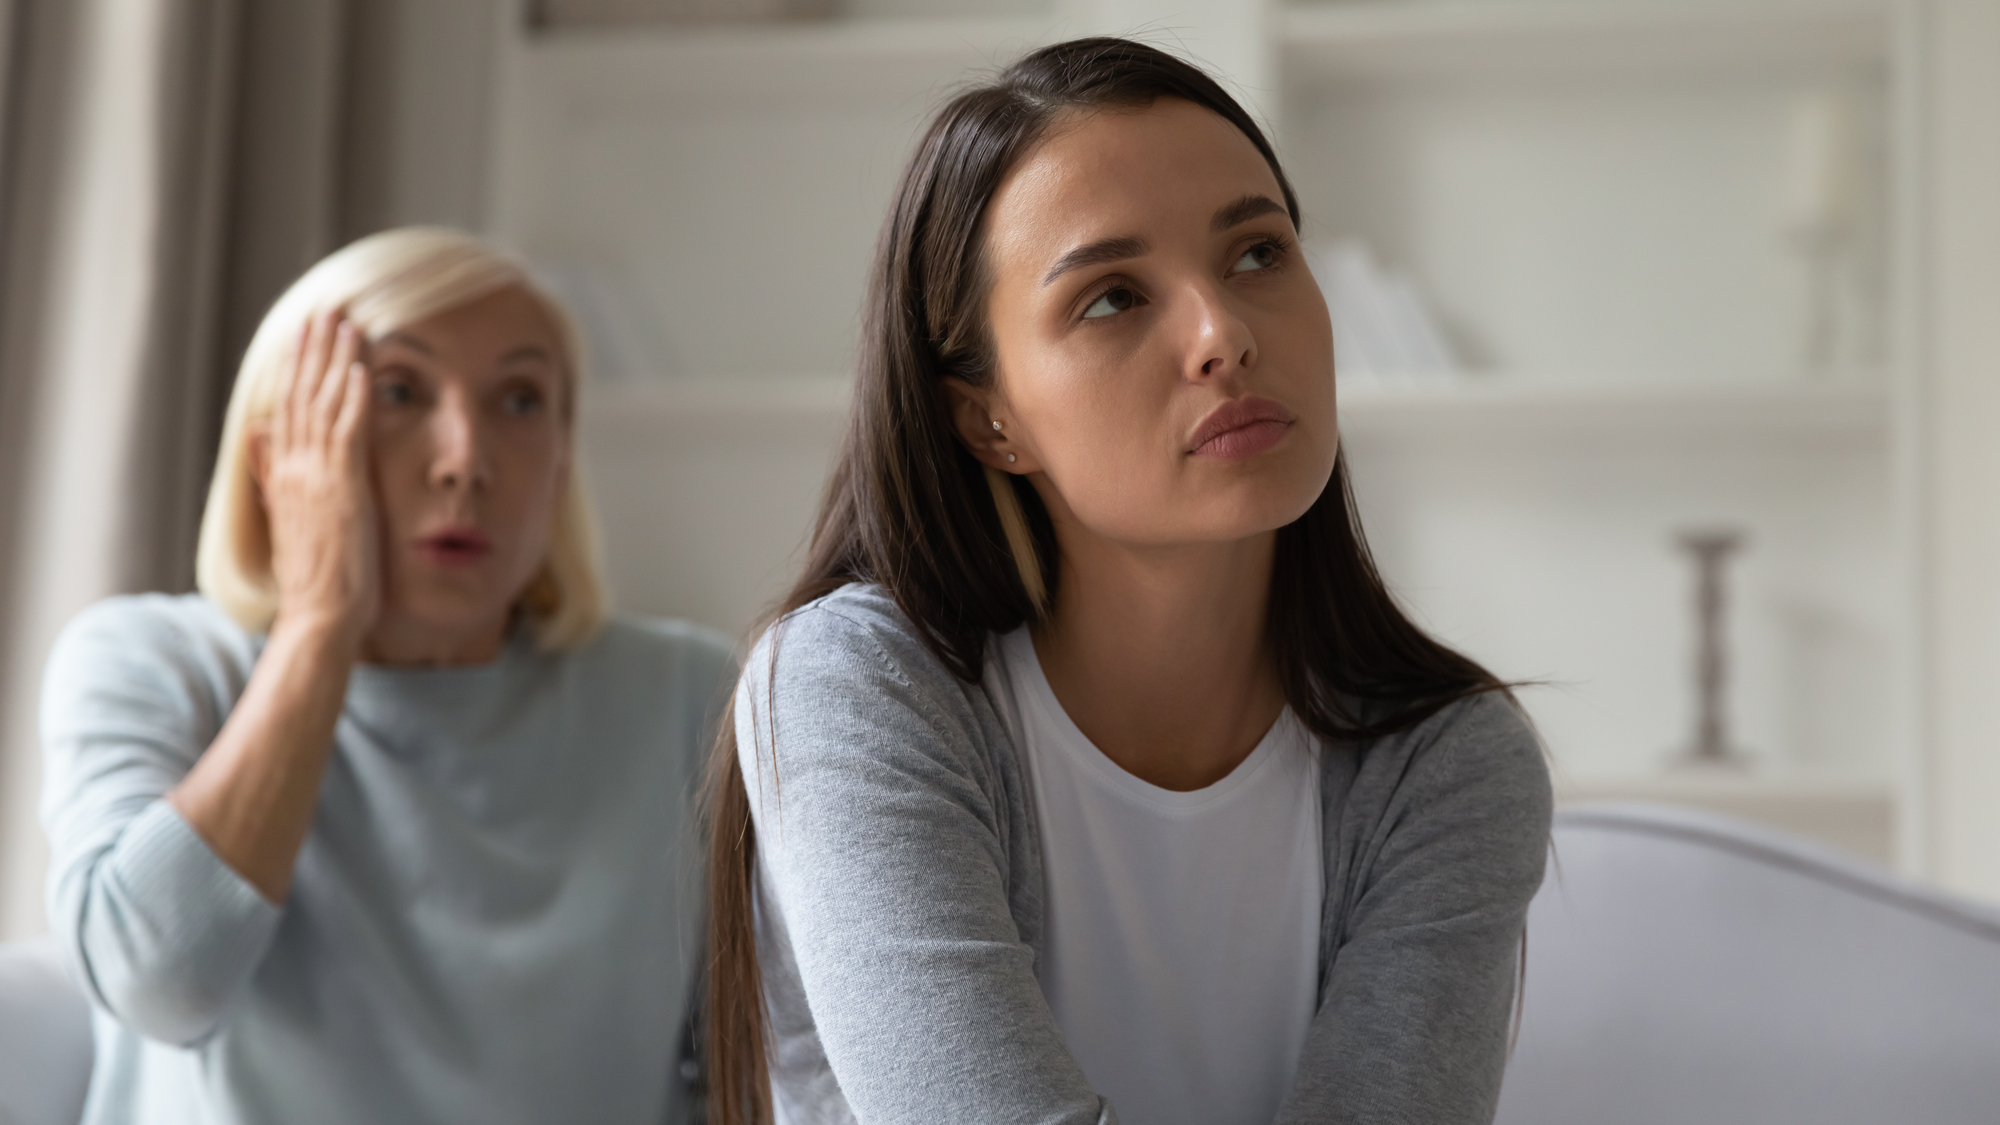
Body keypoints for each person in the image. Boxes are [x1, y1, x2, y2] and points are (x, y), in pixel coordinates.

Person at [701, 38, 1552, 1125]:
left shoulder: (1444, 763)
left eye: (1255, 254)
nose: (1223, 335)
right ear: (988, 417)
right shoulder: (857, 692)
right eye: (1111, 299)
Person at [41, 228, 731, 1124]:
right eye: (400, 391)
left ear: (563, 457)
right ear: (276, 454)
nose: (465, 460)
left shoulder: (687, 694)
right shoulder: (147, 662)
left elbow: (758, 1065)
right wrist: (321, 622)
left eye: (521, 400)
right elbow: (157, 981)